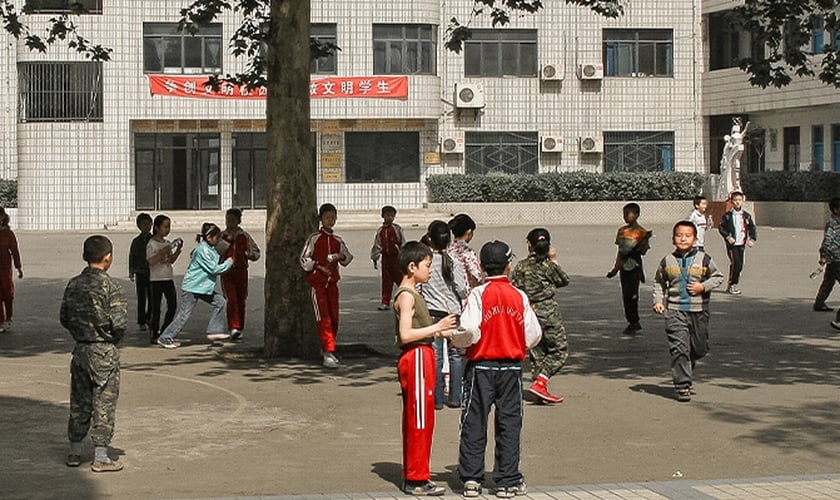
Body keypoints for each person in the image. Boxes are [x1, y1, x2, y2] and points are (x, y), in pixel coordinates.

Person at [451, 240, 542, 498]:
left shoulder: (479, 295)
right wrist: (515, 342)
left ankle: (471, 478)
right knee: (510, 423)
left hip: (481, 366)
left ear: (481, 266)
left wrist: (459, 343)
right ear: (508, 265)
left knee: (473, 421)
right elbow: (533, 334)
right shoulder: (518, 296)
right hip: (511, 368)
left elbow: (468, 329)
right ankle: (507, 479)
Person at [393, 241, 457, 496]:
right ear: (412, 266)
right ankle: (416, 478)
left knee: (420, 417)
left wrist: (439, 331)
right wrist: (436, 328)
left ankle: (417, 474)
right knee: (420, 418)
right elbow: (406, 334)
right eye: (427, 266)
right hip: (417, 356)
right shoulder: (407, 296)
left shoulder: (412, 293)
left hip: (422, 355)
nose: (430, 270)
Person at [61, 235, 127, 472]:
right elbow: (119, 324)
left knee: (79, 402)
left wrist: (81, 334)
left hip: (80, 349)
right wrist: (109, 340)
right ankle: (100, 456)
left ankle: (74, 451)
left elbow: (64, 317)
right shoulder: (111, 287)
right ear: (108, 258)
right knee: (104, 403)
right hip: (104, 351)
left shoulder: (73, 284)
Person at [653, 221, 724, 402]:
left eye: (687, 235)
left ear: (695, 239)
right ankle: (683, 385)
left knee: (699, 349)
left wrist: (703, 286)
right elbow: (659, 282)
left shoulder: (704, 259)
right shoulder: (667, 261)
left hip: (698, 310)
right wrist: (658, 301)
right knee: (679, 349)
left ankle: (688, 361)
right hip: (675, 311)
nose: (683, 238)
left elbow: (718, 277)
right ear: (673, 238)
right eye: (679, 235)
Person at [510, 228, 570, 404]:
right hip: (548, 311)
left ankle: (539, 388)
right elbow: (564, 280)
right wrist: (553, 259)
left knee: (537, 351)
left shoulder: (521, 266)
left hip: (529, 311)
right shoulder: (549, 266)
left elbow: (515, 287)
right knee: (559, 350)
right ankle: (541, 381)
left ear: (529, 245)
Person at [156, 223, 233, 349]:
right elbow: (214, 269)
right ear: (209, 238)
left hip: (202, 287)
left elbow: (218, 252)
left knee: (221, 302)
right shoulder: (203, 250)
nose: (218, 240)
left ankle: (214, 331)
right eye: (217, 237)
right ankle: (165, 337)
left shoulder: (208, 249)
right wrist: (229, 263)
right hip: (192, 288)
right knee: (184, 314)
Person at [418, 220, 467, 409]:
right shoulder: (453, 261)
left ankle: (437, 399)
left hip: (432, 313)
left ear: (430, 239)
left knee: (436, 357)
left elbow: (419, 287)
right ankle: (455, 397)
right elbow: (462, 289)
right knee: (455, 355)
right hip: (453, 312)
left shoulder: (426, 262)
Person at [300, 203, 354, 368]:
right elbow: (304, 260)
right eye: (327, 218)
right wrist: (317, 266)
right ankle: (328, 351)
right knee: (323, 318)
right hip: (318, 284)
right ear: (321, 219)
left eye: (333, 218)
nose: (330, 221)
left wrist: (339, 256)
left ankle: (329, 349)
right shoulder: (314, 238)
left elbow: (348, 258)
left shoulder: (338, 240)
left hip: (332, 284)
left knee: (334, 317)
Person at [606, 203, 652, 336]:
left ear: (637, 215)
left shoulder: (641, 232)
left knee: (632, 295)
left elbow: (643, 251)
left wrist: (642, 242)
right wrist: (615, 268)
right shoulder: (622, 231)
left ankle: (634, 321)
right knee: (626, 295)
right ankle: (632, 320)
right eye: (624, 214)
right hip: (624, 267)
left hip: (634, 266)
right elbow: (620, 252)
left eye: (629, 214)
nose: (626, 216)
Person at [216, 208, 261, 340]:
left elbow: (256, 253)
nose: (229, 223)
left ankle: (240, 326)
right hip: (227, 272)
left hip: (242, 272)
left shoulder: (244, 236)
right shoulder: (222, 236)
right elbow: (217, 252)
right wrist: (227, 242)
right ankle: (233, 326)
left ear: (238, 221)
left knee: (241, 299)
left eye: (233, 220)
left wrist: (249, 254)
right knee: (231, 299)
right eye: (228, 220)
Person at [146, 214, 183, 344]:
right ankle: (154, 332)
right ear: (156, 228)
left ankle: (165, 330)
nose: (167, 229)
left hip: (168, 278)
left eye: (169, 227)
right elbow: (151, 261)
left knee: (172, 305)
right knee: (156, 308)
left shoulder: (167, 243)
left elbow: (171, 260)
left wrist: (177, 250)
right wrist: (163, 251)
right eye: (165, 227)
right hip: (156, 279)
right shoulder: (152, 244)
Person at [718, 191, 757, 295]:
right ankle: (732, 285)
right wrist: (728, 237)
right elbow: (721, 227)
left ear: (743, 201)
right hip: (732, 245)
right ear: (731, 201)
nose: (737, 202)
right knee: (735, 263)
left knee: (740, 265)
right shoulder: (728, 216)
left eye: (739, 200)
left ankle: (732, 284)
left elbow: (752, 228)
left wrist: (752, 239)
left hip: (741, 244)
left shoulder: (746, 216)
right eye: (735, 200)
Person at [371, 205, 405, 311]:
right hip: (386, 259)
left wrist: (403, 255)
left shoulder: (397, 229)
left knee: (400, 280)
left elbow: (402, 242)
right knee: (386, 281)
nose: (390, 218)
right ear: (382, 216)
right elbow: (377, 245)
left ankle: (405, 299)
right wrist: (375, 257)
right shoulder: (380, 231)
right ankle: (385, 302)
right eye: (387, 215)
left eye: (392, 216)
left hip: (396, 258)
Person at [128, 213, 153, 332]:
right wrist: (131, 271)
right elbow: (132, 256)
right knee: (141, 298)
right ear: (139, 226)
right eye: (144, 224)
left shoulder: (154, 239)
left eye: (149, 224)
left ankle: (150, 317)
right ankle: (142, 321)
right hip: (141, 272)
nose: (147, 227)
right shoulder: (136, 241)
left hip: (153, 273)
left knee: (153, 297)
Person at [0, 207, 22, 333]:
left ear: (3, 218)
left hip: (4, 268)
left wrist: (18, 267)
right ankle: (1, 320)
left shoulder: (8, 234)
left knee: (7, 294)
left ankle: (8, 317)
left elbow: (14, 251)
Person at [448, 214, 483, 290]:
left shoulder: (448, 249)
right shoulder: (468, 252)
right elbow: (477, 276)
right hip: (465, 292)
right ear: (469, 232)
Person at [818, 198, 840, 315]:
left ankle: (819, 303)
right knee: (828, 281)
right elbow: (827, 240)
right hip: (836, 258)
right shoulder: (833, 224)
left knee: (829, 281)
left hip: (834, 259)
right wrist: (823, 255)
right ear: (836, 210)